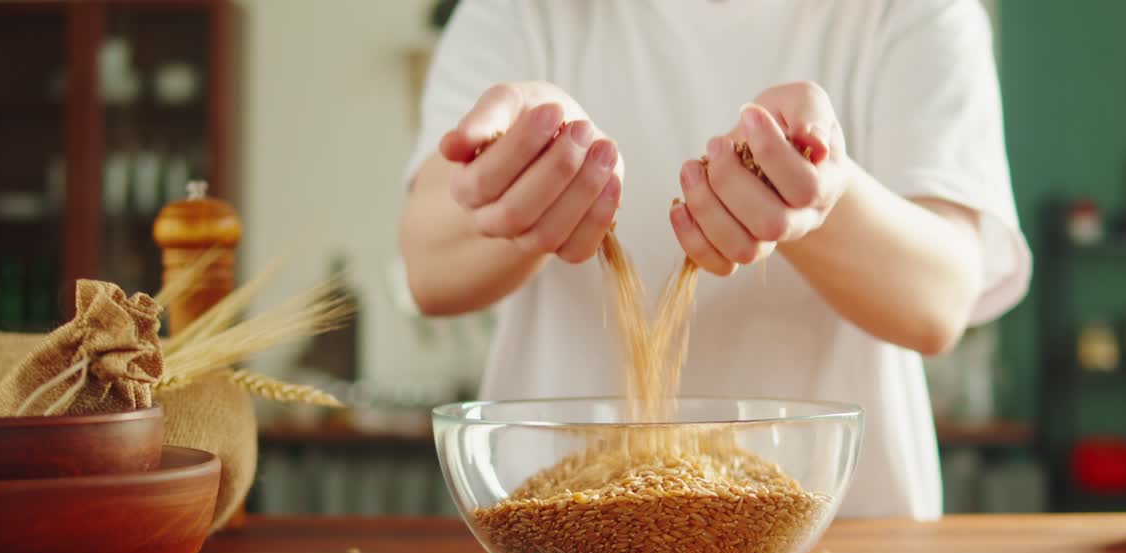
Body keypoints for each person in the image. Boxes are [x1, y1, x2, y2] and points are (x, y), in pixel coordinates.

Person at [399, 0, 1031, 519]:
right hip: (560, 532)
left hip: (846, 542)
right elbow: (428, 266)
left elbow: (940, 298)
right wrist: (519, 173)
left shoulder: (912, 12)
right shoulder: (520, 12)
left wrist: (820, 199)